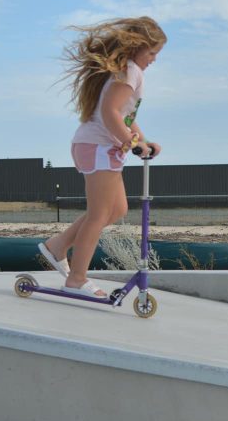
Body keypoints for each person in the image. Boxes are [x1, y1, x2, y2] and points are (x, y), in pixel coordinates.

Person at [37, 16, 165, 298]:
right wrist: (131, 143)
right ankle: (76, 279)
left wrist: (142, 141)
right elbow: (110, 113)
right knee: (99, 214)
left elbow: (124, 116)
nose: (154, 59)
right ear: (137, 47)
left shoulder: (127, 71)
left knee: (116, 210)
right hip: (97, 148)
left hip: (98, 147)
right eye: (152, 52)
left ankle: (58, 246)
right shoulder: (130, 71)